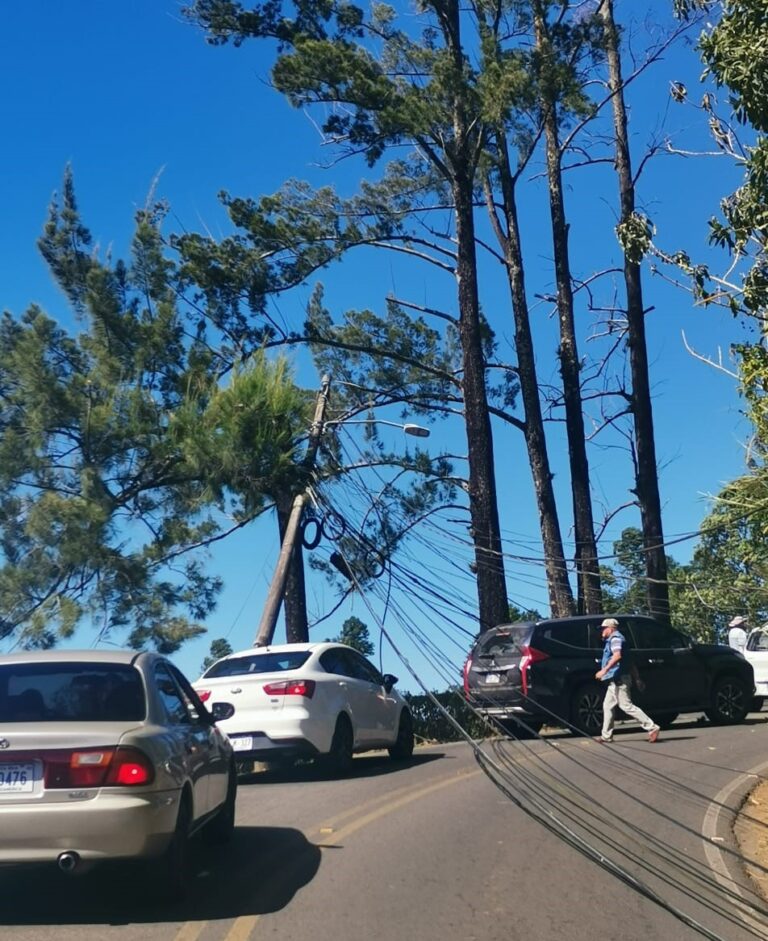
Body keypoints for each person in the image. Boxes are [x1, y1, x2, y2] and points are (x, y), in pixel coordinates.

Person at [595, 618, 660, 744]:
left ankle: (652, 727)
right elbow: (630, 662)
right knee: (607, 706)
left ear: (611, 628)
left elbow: (617, 656)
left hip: (619, 679)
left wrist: (604, 670)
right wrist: (637, 678)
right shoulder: (617, 640)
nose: (602, 631)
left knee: (626, 706)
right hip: (615, 679)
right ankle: (606, 736)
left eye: (604, 628)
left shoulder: (615, 639)